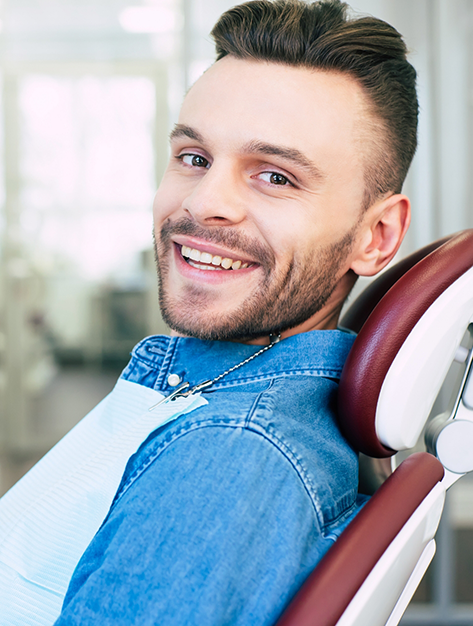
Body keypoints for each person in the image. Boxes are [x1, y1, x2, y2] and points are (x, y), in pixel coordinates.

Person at [54, 0, 418, 623]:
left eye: (274, 176)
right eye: (194, 158)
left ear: (376, 236)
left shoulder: (228, 453)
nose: (204, 203)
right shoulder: (219, 401)